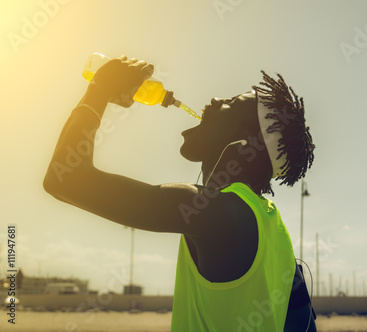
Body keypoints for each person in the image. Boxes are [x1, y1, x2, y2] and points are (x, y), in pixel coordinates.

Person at [43, 55, 316, 331]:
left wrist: (99, 88)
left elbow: (65, 178)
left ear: (246, 141)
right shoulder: (273, 228)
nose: (214, 101)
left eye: (230, 103)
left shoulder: (216, 213)